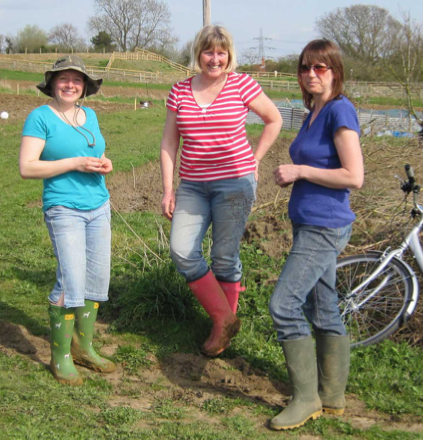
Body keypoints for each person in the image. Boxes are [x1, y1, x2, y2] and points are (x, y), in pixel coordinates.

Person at [160, 25, 282, 357]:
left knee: (225, 257)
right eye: (208, 52)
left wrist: (256, 159)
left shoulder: (242, 84)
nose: (215, 59)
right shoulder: (180, 91)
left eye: (221, 52)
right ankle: (225, 317)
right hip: (193, 186)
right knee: (182, 251)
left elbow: (274, 119)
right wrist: (168, 189)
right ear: (198, 54)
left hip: (235, 183)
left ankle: (221, 332)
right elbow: (170, 142)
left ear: (229, 55)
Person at [269, 39, 364, 430]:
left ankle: (306, 398)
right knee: (322, 308)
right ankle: (332, 397)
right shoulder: (315, 111)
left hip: (324, 226)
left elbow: (353, 176)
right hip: (309, 221)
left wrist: (300, 171)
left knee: (284, 305)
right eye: (306, 67)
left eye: (320, 68)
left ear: (335, 72)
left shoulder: (340, 111)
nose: (311, 74)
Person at [19, 56, 116, 386]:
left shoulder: (89, 115)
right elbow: (27, 167)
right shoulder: (40, 117)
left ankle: (83, 347)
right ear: (52, 83)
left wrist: (104, 163)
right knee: (70, 279)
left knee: (96, 277)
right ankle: (59, 357)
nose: (70, 84)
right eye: (64, 78)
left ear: (85, 86)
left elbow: (96, 150)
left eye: (77, 79)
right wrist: (74, 163)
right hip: (64, 208)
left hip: (99, 206)